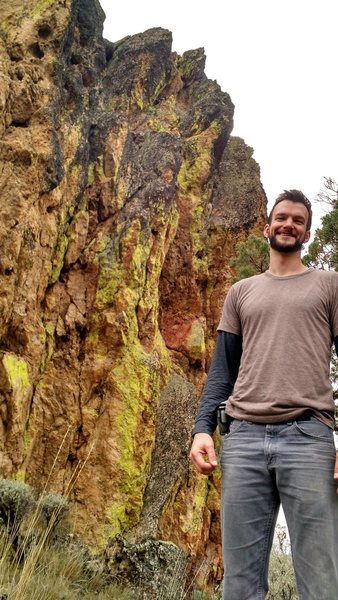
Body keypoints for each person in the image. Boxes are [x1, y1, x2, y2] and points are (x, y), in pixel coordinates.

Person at [189, 190, 338, 600]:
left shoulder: (329, 285)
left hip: (309, 439)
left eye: (298, 221)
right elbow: (223, 370)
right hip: (244, 439)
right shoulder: (241, 292)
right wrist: (203, 429)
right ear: (267, 226)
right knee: (239, 584)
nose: (288, 224)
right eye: (282, 217)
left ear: (306, 234)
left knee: (321, 581)